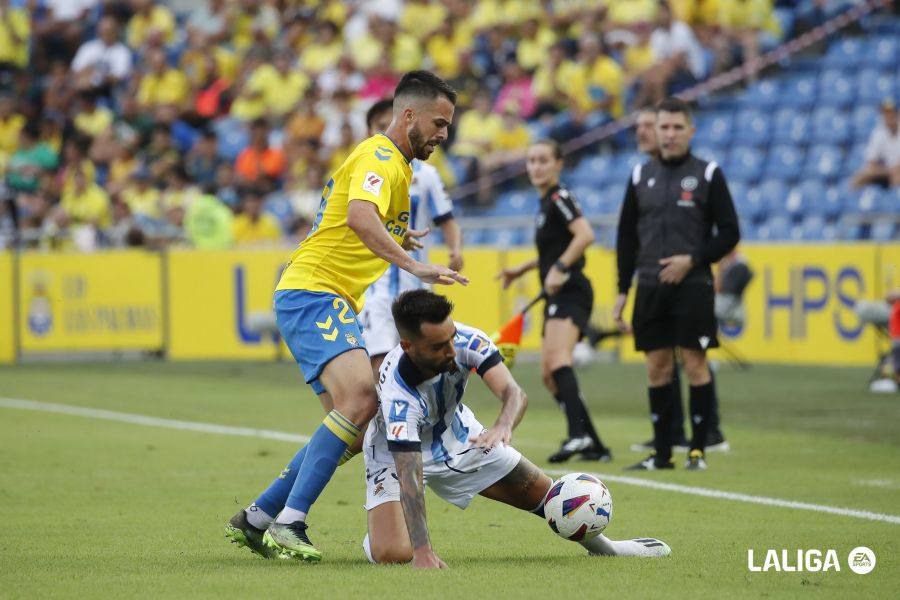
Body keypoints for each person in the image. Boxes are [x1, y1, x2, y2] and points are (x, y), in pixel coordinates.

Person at [224, 71, 466, 563]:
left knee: (350, 429)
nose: (444, 135)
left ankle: (259, 516)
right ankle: (291, 524)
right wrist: (412, 263)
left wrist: (401, 239)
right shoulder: (381, 154)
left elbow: (357, 220)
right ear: (409, 115)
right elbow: (359, 216)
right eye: (439, 123)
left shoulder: (399, 166)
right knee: (360, 397)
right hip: (315, 291)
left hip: (323, 297)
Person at [362, 290, 671, 568]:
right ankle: (382, 532)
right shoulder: (398, 398)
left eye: (452, 338)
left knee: (550, 496)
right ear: (408, 346)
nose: (452, 351)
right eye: (439, 346)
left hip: (458, 437)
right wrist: (425, 551)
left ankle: (607, 549)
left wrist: (502, 426)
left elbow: (514, 394)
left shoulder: (468, 341)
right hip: (394, 454)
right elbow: (410, 476)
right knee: (395, 554)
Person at [614, 97, 739, 471]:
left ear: (690, 131)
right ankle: (663, 453)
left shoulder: (708, 173)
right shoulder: (640, 176)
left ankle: (698, 451)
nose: (668, 134)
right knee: (657, 368)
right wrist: (623, 289)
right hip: (650, 287)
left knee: (696, 363)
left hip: (693, 285)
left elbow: (730, 232)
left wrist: (693, 259)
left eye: (676, 127)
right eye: (663, 127)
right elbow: (626, 239)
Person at [498, 140, 611, 464]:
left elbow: (585, 235)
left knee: (559, 360)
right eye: (531, 161)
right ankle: (593, 444)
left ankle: (578, 435)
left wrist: (560, 268)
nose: (536, 167)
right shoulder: (546, 203)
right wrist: (526, 267)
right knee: (549, 373)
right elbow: (552, 250)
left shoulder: (560, 198)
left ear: (558, 164)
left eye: (543, 160)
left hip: (571, 290)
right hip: (557, 293)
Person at [361, 98, 464, 374]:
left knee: (425, 365)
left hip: (417, 284)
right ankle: (384, 419)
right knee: (379, 365)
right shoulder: (366, 171)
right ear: (368, 131)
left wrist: (455, 250)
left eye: (388, 125)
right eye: (378, 126)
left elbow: (447, 219)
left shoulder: (426, 174)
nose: (384, 131)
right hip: (375, 287)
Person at [851, 99, 899, 189]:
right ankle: (856, 201)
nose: (888, 117)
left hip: (896, 171)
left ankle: (893, 201)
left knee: (897, 177)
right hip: (886, 171)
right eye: (885, 114)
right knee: (859, 178)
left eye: (891, 113)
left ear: (897, 114)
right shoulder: (879, 133)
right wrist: (887, 170)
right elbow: (871, 163)